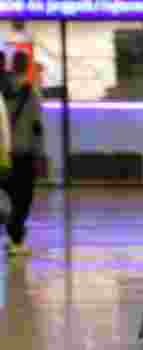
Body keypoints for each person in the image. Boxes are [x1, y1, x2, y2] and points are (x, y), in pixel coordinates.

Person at [3, 51, 44, 258]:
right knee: (24, 197)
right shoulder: (31, 92)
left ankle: (13, 231)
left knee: (11, 194)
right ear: (27, 65)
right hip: (24, 153)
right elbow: (37, 127)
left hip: (4, 153)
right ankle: (16, 238)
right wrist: (39, 154)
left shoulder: (4, 91)